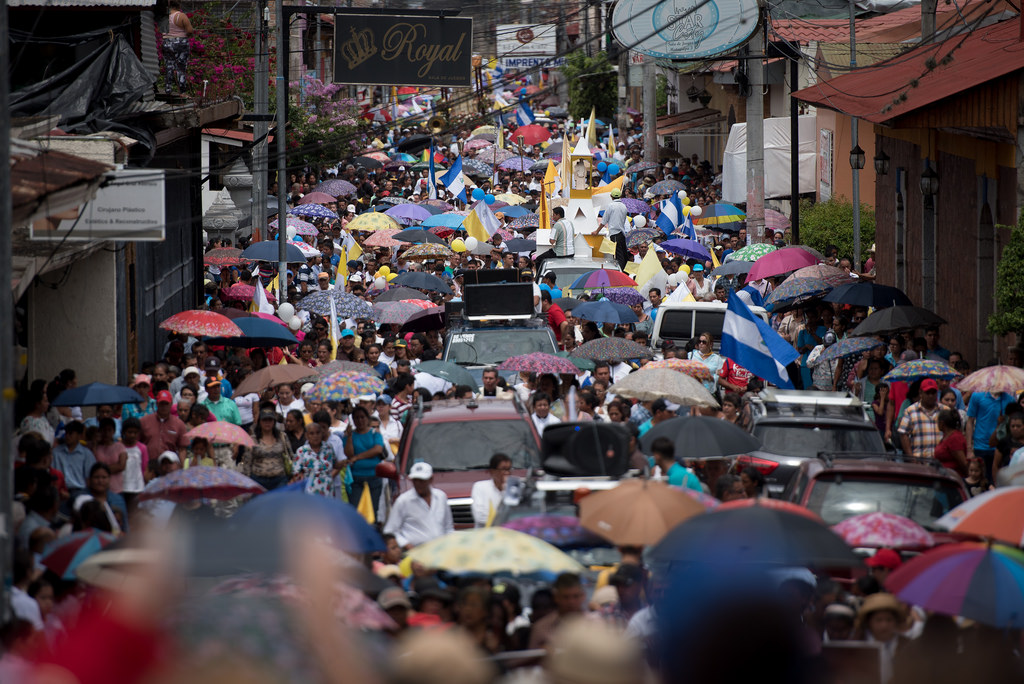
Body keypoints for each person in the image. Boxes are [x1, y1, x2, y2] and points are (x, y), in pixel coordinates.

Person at [383, 462, 453, 549]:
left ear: (430, 479)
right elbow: (390, 530)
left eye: (422, 481)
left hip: (440, 550)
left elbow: (448, 527)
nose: (418, 484)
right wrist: (406, 544)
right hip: (415, 552)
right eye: (415, 480)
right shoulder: (403, 501)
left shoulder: (441, 497)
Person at [527, 572, 587, 650]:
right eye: (566, 597)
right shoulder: (541, 628)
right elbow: (531, 658)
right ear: (556, 597)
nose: (571, 602)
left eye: (575, 596)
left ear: (583, 596)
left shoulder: (596, 624)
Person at [966, 389, 1015, 480]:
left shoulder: (1010, 399)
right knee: (980, 479)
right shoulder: (977, 396)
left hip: (1000, 447)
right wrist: (969, 449)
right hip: (980, 446)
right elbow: (970, 421)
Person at [240, 410, 293, 490]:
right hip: (258, 479)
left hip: (280, 479)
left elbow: (291, 455)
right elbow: (247, 462)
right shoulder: (252, 440)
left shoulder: (282, 437)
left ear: (274, 422)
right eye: (264, 420)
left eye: (270, 420)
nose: (267, 423)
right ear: (259, 422)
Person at [344, 406, 386, 507]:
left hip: (374, 475)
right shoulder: (349, 435)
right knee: (355, 508)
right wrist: (349, 436)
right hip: (356, 477)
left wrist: (357, 457)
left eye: (362, 417)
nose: (360, 420)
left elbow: (378, 449)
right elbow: (349, 454)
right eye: (356, 418)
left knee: (373, 509)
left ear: (367, 418)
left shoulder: (374, 433)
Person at [291, 422, 339, 497]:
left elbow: (335, 465)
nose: (315, 436)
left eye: (318, 433)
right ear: (307, 435)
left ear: (322, 434)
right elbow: (296, 473)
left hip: (328, 490)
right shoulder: (301, 451)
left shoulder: (328, 448)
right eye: (312, 433)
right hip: (309, 492)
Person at [897, 379, 942, 459]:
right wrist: (911, 458)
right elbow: (903, 434)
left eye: (933, 392)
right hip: (919, 462)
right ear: (921, 393)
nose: (930, 396)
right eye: (927, 393)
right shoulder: (910, 411)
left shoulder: (945, 411)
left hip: (940, 463)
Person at [139, 391, 189, 461]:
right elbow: (137, 444)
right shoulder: (144, 421)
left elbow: (182, 449)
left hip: (169, 465)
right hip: (148, 464)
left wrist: (183, 469)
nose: (164, 406)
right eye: (161, 403)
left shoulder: (179, 424)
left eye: (166, 404)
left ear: (171, 404)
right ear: (157, 404)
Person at [51, 421, 96, 497]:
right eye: (66, 433)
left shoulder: (86, 454)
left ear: (79, 436)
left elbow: (89, 477)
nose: (67, 436)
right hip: (60, 491)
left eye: (71, 433)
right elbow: (52, 473)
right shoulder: (56, 452)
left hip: (80, 491)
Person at [470, 453, 511, 527]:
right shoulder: (480, 487)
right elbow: (479, 517)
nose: (507, 473)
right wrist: (504, 520)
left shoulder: (512, 489)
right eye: (503, 469)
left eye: (508, 469)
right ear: (493, 471)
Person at [162, 0, 194, 95]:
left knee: (169, 66)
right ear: (178, 5)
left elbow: (160, 30)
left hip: (167, 42)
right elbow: (190, 30)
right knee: (181, 67)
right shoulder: (181, 16)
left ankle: (168, 90)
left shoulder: (164, 17)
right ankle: (182, 91)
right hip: (180, 42)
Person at [599, 189, 629, 269]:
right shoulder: (623, 206)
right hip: (622, 233)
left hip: (615, 233)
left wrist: (596, 231)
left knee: (618, 256)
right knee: (623, 254)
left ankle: (621, 273)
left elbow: (604, 221)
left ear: (611, 196)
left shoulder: (611, 206)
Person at [933, 408, 968, 477]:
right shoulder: (946, 436)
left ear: (942, 423)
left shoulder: (954, 438)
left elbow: (963, 463)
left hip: (953, 477)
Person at [993, 412, 1024, 481]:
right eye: (1012, 426)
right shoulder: (1004, 442)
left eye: (1018, 426)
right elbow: (995, 465)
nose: (1015, 429)